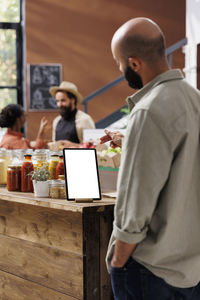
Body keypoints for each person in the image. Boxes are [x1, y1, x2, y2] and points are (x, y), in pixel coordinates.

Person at [104, 17, 200, 300]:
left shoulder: (148, 111)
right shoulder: (194, 100)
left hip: (150, 270)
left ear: (134, 64)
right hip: (190, 269)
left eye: (118, 62)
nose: (119, 69)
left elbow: (136, 203)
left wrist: (118, 261)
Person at [49, 81, 95, 147]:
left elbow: (92, 147)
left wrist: (74, 145)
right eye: (57, 101)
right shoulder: (56, 121)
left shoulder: (85, 120)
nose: (59, 104)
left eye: (63, 100)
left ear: (72, 100)